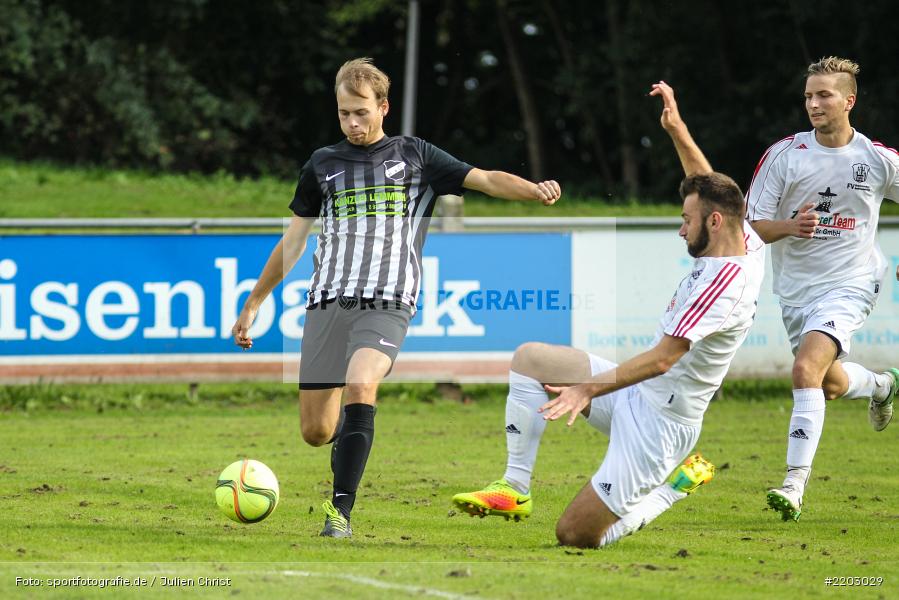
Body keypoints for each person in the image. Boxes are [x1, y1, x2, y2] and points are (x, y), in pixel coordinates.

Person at [230, 58, 561, 538]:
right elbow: (295, 241)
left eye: (361, 112)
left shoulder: (416, 156)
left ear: (383, 107)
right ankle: (349, 441)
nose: (353, 123)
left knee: (362, 384)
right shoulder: (322, 165)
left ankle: (339, 513)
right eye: (344, 114)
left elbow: (485, 178)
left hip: (387, 303)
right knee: (316, 432)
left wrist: (534, 191)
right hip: (327, 304)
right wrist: (254, 302)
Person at [452, 82, 765, 548]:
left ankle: (672, 490)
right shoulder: (744, 238)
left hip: (662, 425)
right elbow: (710, 185)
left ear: (714, 223)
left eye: (686, 220)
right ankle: (515, 488)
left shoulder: (724, 285)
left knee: (575, 535)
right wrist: (677, 129)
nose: (681, 230)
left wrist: (586, 388)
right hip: (634, 393)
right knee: (530, 358)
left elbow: (662, 360)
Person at [746, 56, 899, 522]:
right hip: (796, 290)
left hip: (853, 281)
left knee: (804, 370)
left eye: (824, 95)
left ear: (849, 100)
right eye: (809, 96)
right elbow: (749, 225)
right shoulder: (785, 155)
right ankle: (879, 385)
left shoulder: (876, 159)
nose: (813, 103)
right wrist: (791, 226)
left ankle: (793, 485)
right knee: (825, 381)